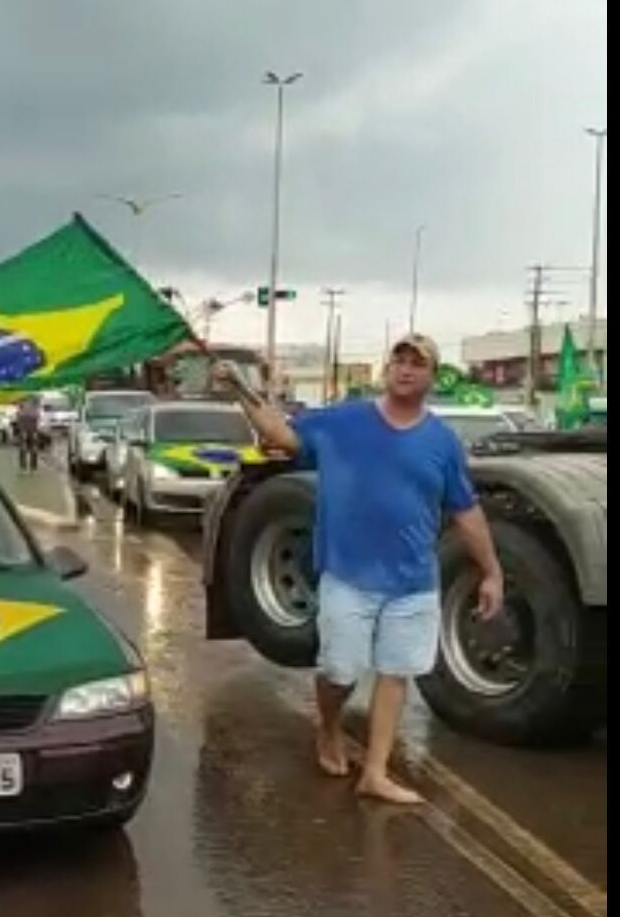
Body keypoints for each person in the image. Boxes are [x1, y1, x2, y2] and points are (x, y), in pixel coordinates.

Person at [213, 335, 504, 805]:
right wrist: (240, 391)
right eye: (399, 360)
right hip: (348, 576)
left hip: (413, 582)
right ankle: (328, 727)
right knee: (340, 671)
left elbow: (465, 511)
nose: (406, 369)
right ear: (388, 369)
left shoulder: (442, 442)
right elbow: (282, 434)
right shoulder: (345, 420)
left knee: (394, 674)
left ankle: (375, 772)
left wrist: (491, 572)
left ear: (432, 377)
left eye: (418, 363)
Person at [15, 395, 42, 472]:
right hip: (26, 420)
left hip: (31, 420)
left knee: (32, 444)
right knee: (26, 444)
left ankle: (31, 465)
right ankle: (25, 465)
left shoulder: (34, 396)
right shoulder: (23, 395)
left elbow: (38, 404)